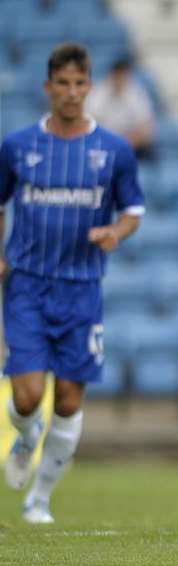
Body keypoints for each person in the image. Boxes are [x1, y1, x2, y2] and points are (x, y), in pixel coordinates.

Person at [1, 43, 145, 523]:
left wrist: (114, 232)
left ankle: (39, 498)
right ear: (48, 88)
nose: (71, 92)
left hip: (82, 289)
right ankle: (25, 434)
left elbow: (133, 212)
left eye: (79, 84)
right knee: (25, 397)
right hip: (26, 284)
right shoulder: (18, 146)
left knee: (68, 399)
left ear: (89, 87)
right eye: (62, 84)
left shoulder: (114, 150)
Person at [85, 55, 155, 160]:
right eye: (119, 75)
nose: (121, 80)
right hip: (102, 144)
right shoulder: (97, 94)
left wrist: (123, 145)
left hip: (130, 145)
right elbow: (88, 124)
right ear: (112, 74)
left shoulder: (136, 93)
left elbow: (146, 128)